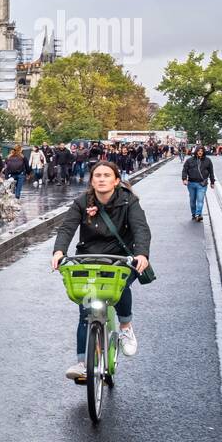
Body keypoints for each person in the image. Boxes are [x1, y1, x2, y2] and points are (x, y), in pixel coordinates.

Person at [51, 160, 151, 380]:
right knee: (86, 310)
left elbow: (141, 229)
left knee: (122, 283)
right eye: (97, 175)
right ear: (92, 180)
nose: (102, 179)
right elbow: (67, 227)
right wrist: (59, 251)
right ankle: (82, 363)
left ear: (116, 180)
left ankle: (125, 326)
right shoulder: (82, 202)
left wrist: (142, 254)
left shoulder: (128, 201)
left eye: (107, 175)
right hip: (89, 258)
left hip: (121, 257)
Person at [181, 146, 215, 222]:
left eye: (202, 151)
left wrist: (212, 182)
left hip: (202, 184)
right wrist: (184, 179)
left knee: (200, 200)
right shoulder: (189, 160)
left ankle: (198, 214)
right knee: (192, 200)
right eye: (199, 151)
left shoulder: (208, 160)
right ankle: (194, 214)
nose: (200, 152)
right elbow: (184, 170)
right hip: (191, 183)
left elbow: (211, 172)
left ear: (203, 152)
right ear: (196, 151)